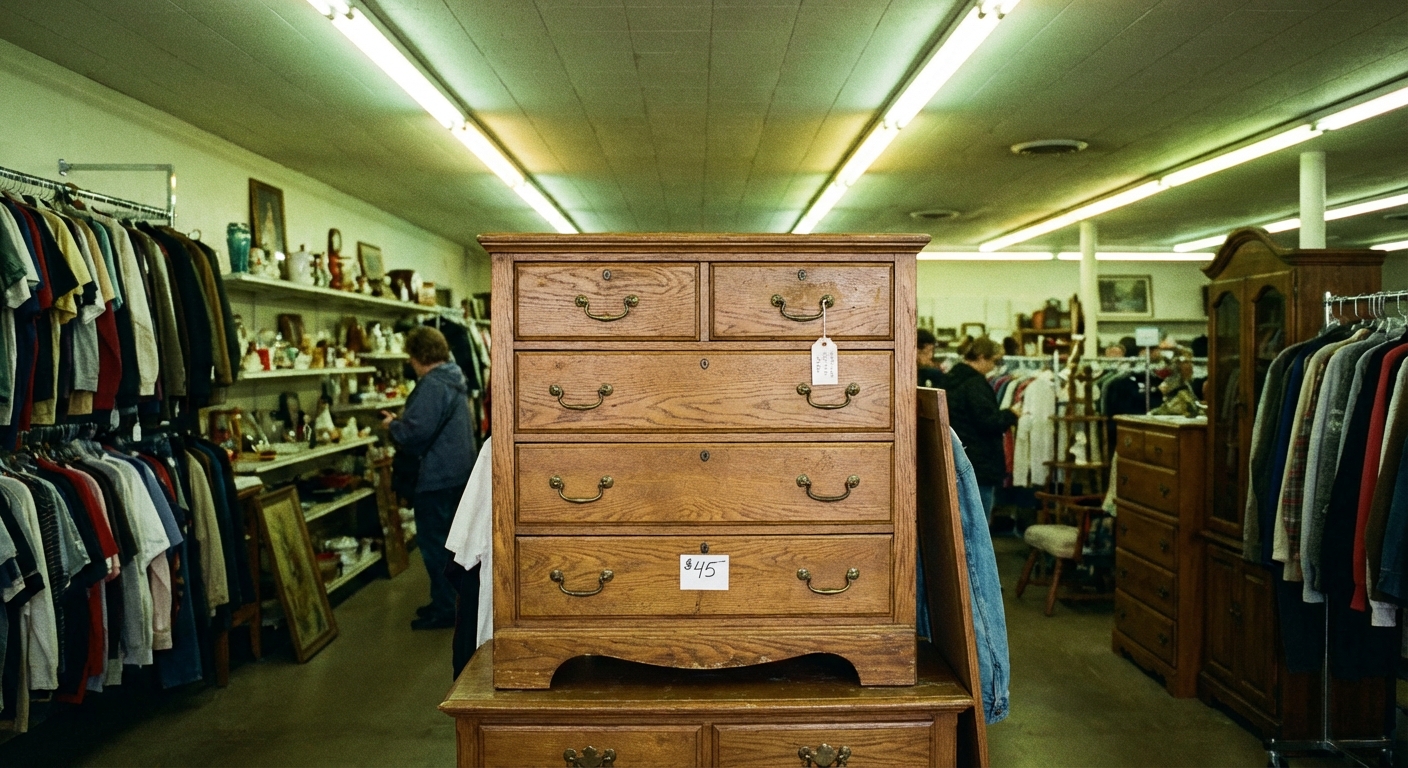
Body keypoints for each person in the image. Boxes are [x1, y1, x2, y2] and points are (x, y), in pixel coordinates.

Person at [382, 327, 476, 630]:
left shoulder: (433, 384)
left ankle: (446, 607)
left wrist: (393, 425)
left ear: (419, 355)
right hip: (458, 473)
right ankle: (449, 601)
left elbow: (414, 434)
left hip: (436, 476)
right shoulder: (455, 378)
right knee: (453, 544)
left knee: (435, 546)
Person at [941, 336, 1021, 525]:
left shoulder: (951, 378)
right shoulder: (975, 384)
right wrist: (1011, 414)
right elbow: (988, 422)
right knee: (979, 523)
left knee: (961, 522)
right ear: (982, 357)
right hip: (980, 462)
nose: (994, 367)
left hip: (958, 455)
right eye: (994, 361)